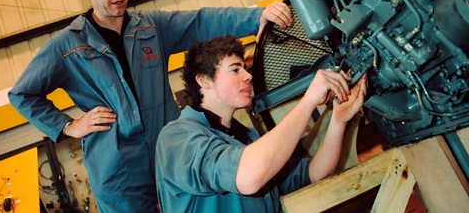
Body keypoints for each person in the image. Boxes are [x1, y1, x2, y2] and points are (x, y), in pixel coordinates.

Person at [8, 0, 293, 213]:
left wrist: (258, 16)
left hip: (168, 151)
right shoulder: (67, 46)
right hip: (117, 170)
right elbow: (22, 94)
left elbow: (202, 21)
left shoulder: (150, 27)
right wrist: (69, 126)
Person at [155, 36, 367, 212]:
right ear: (204, 81)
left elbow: (314, 173)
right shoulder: (177, 137)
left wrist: (338, 120)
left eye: (245, 69)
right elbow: (247, 177)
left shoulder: (248, 138)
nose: (248, 76)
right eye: (235, 70)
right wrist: (309, 100)